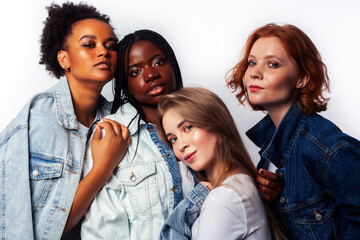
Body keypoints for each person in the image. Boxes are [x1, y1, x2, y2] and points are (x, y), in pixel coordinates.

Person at [0, 2, 129, 239]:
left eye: (110, 46)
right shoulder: (34, 121)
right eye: (89, 45)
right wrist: (102, 168)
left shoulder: (122, 119)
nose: (104, 51)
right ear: (64, 59)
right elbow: (30, 227)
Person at [227, 23, 360, 239]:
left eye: (272, 64)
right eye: (252, 62)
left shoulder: (328, 148)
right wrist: (277, 196)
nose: (255, 73)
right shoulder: (270, 148)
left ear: (302, 78)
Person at [78, 29, 195, 239]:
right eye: (135, 72)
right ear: (126, 85)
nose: (151, 75)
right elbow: (103, 230)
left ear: (174, 66)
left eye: (159, 62)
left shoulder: (203, 119)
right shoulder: (111, 134)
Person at [157, 87, 289, 239]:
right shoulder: (238, 183)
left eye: (188, 127)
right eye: (173, 138)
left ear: (216, 123)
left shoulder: (224, 198)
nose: (181, 145)